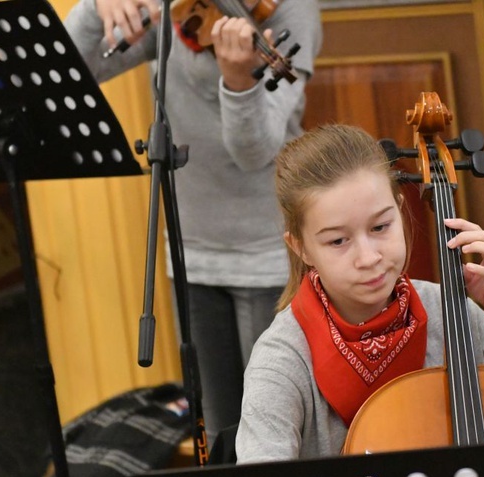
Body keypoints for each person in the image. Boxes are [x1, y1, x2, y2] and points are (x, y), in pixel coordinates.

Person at [235, 124, 484, 464]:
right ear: (300, 247)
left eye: (380, 226)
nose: (369, 257)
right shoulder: (283, 358)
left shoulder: (450, 312)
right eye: (338, 240)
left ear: (399, 210)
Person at [63, 0, 323, 447]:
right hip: (191, 252)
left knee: (282, 433)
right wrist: (96, 6)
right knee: (221, 434)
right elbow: (72, 67)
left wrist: (240, 83)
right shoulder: (174, 9)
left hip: (269, 256)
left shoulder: (289, 10)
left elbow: (254, 151)